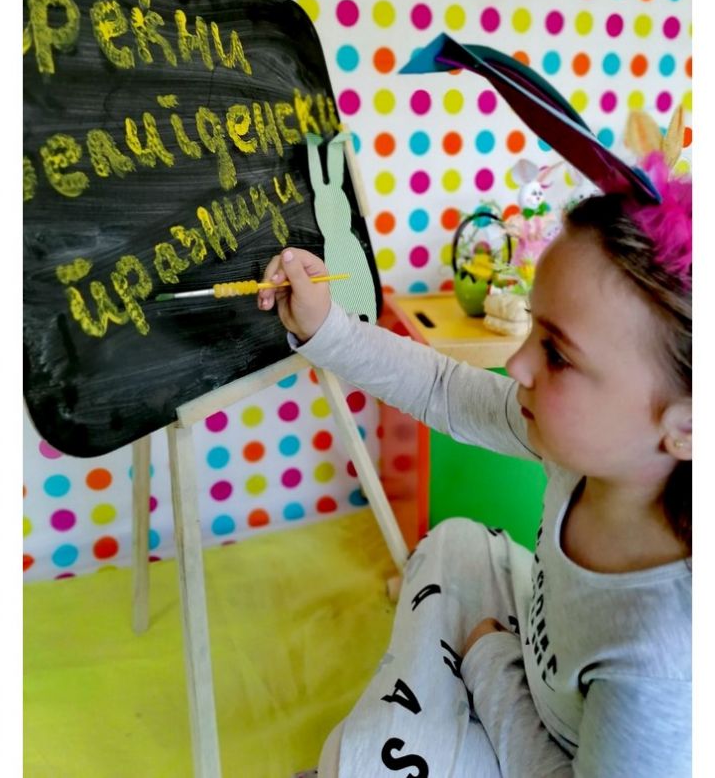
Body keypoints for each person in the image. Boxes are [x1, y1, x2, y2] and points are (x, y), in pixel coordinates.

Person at [257, 168, 692, 776]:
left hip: (551, 749)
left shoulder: (663, 662)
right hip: (530, 663)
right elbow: (444, 388)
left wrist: (490, 663)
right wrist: (326, 326)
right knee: (457, 540)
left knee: (359, 760)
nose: (517, 363)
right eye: (532, 326)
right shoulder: (591, 457)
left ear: (688, 425)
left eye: (557, 353)